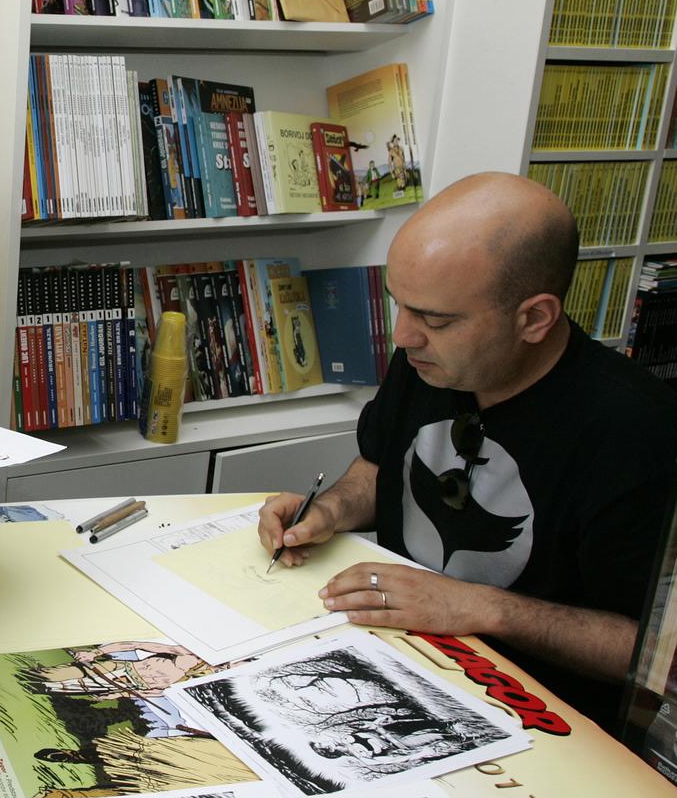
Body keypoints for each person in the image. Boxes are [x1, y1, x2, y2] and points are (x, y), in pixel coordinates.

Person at [257, 171, 677, 725]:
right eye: (400, 305)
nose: (403, 336)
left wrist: (480, 606)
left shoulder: (638, 432)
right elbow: (381, 465)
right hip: (393, 657)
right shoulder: (429, 359)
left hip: (532, 713)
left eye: (436, 319)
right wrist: (330, 509)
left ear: (534, 318)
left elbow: (656, 656)